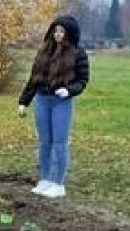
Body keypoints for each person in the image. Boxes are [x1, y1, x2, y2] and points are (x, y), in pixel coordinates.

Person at [17, 14, 90, 199]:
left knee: (59, 143)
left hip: (61, 102)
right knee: (44, 143)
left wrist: (69, 90)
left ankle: (58, 183)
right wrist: (24, 101)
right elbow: (34, 78)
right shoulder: (44, 51)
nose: (58, 35)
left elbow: (83, 80)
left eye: (62, 32)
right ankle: (45, 179)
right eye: (56, 31)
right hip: (42, 100)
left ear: (69, 34)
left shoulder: (78, 53)